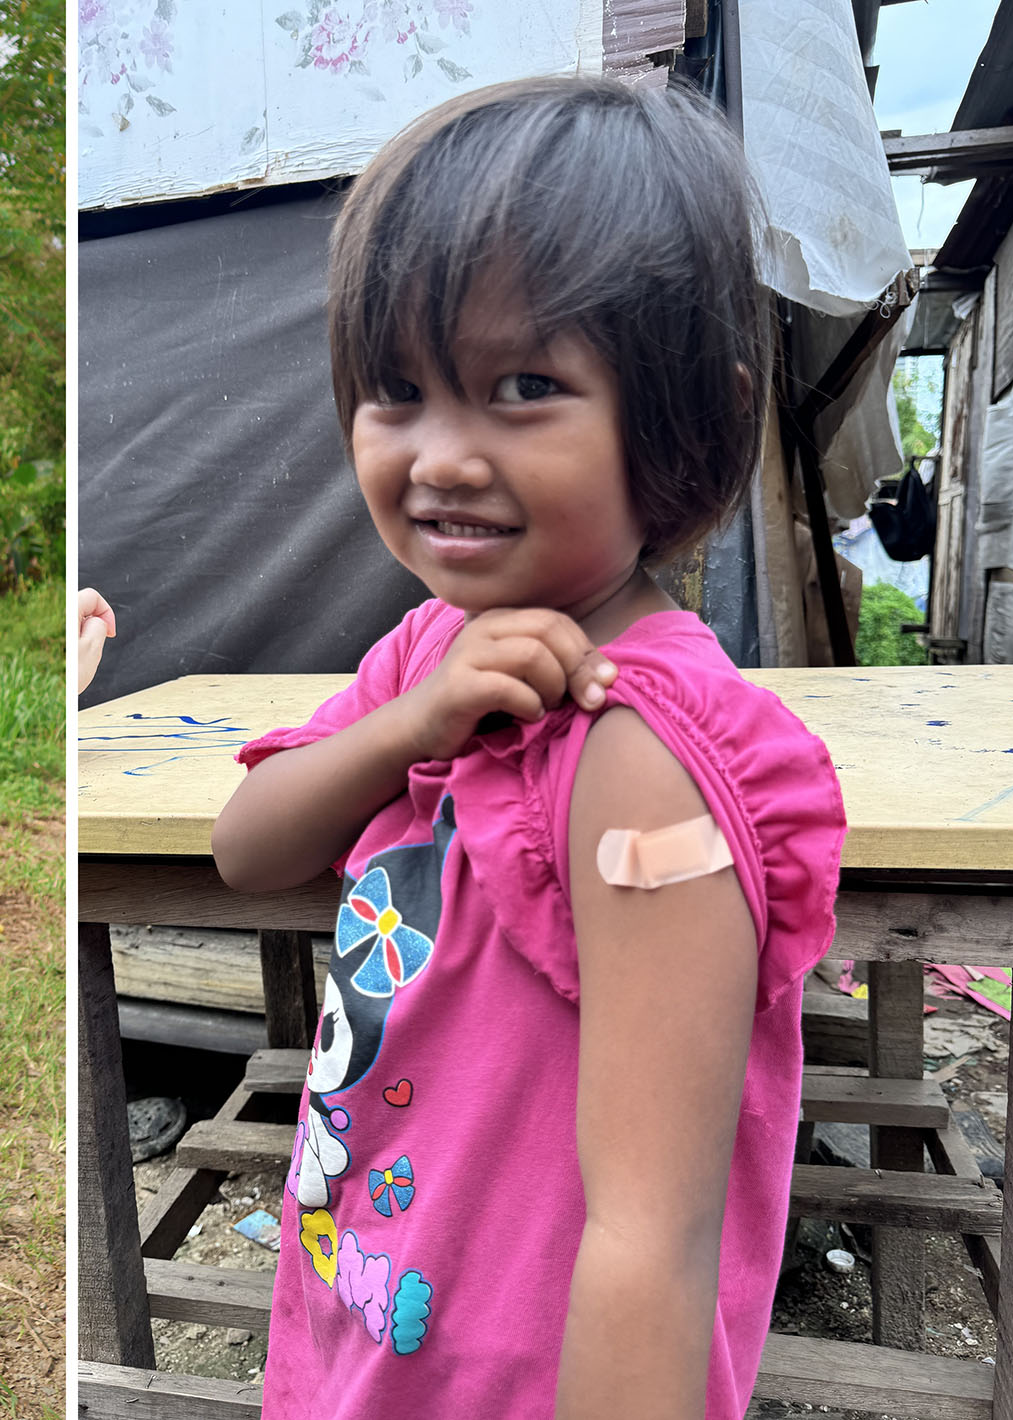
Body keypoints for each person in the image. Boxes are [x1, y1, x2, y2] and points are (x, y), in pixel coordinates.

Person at [211, 77, 845, 1419]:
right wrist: (408, 726)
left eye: (524, 387)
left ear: (686, 418)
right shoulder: (430, 650)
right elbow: (247, 846)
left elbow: (650, 1236)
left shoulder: (639, 752)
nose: (441, 456)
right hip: (366, 1315)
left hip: (518, 1379)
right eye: (397, 391)